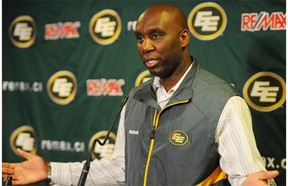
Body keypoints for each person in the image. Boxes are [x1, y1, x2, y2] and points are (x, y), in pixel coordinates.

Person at [2, 3, 279, 186]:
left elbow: (248, 178)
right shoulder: (135, 98)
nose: (145, 46)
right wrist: (50, 171)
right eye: (139, 38)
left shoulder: (223, 103)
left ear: (183, 38)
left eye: (156, 36)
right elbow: (121, 169)